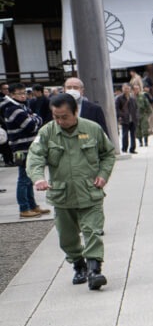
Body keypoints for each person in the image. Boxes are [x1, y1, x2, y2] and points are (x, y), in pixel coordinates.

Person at [27, 93, 116, 290]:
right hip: (62, 195)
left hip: (90, 191)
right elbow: (35, 157)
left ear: (76, 112)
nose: (60, 121)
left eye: (64, 116)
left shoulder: (92, 129)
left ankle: (95, 271)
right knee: (67, 237)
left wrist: (103, 174)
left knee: (92, 231)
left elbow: (108, 154)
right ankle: (78, 265)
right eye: (56, 116)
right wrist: (38, 177)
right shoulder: (47, 132)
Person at [1, 85, 49, 218]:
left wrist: (34, 118)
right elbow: (31, 126)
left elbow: (37, 118)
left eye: (24, 93)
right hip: (20, 148)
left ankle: (32, 205)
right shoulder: (13, 109)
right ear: (12, 95)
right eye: (19, 93)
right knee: (24, 179)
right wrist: (34, 119)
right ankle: (24, 208)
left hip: (28, 146)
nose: (23, 95)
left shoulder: (22, 107)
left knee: (29, 178)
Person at [115, 83, 139, 154]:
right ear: (122, 89)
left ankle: (132, 148)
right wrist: (122, 115)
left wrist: (136, 117)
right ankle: (124, 148)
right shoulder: (119, 98)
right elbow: (117, 109)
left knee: (133, 135)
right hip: (125, 119)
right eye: (125, 88)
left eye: (128, 89)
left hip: (133, 119)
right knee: (125, 135)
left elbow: (136, 108)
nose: (127, 90)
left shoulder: (132, 98)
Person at [136, 83, 153, 150]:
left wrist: (149, 113)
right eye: (135, 89)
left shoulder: (142, 96)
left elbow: (147, 104)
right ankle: (140, 141)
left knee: (145, 128)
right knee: (137, 130)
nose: (136, 90)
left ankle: (146, 141)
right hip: (135, 115)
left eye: (137, 89)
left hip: (143, 114)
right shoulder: (131, 97)